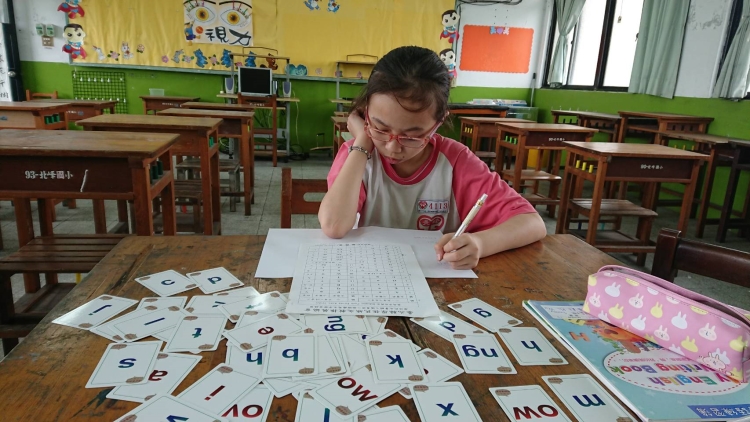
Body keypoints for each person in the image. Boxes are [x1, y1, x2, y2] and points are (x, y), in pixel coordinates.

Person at [319, 46, 547, 270]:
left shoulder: (455, 162)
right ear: (366, 111)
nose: (392, 147)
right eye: (380, 128)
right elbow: (333, 225)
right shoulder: (356, 156)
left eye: (412, 136)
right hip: (373, 275)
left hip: (439, 282)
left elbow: (533, 223)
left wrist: (480, 243)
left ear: (438, 123)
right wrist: (362, 143)